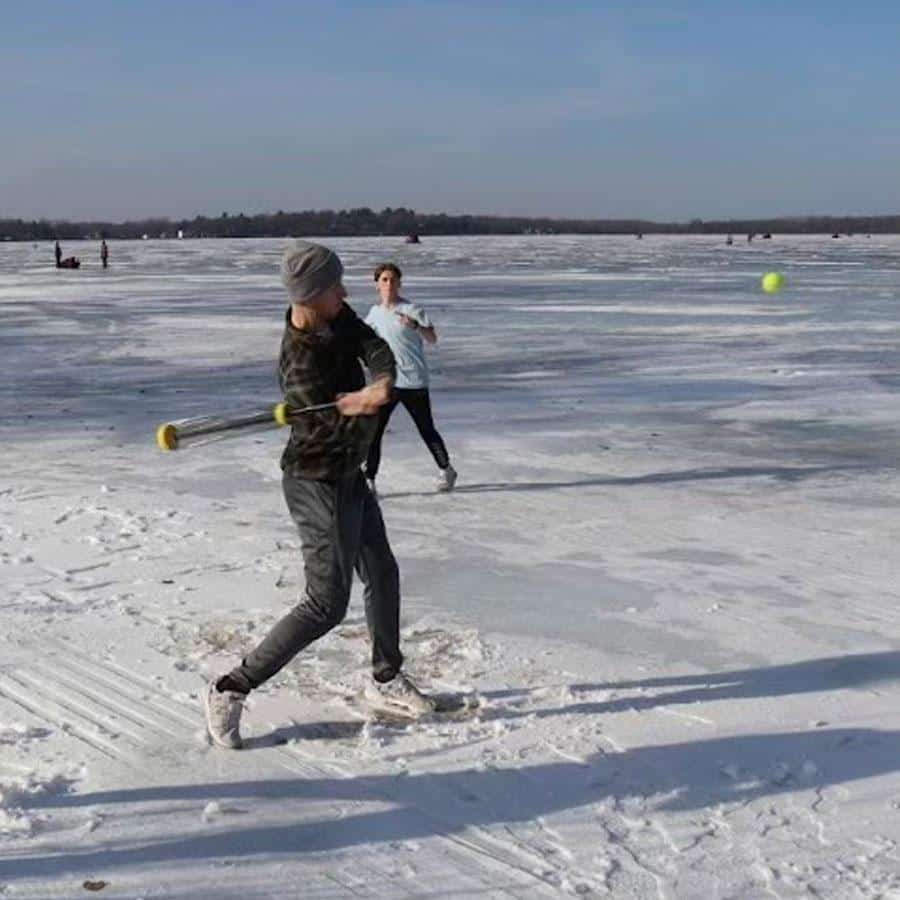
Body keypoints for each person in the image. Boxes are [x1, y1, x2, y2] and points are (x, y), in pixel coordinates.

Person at [204, 241, 435, 750]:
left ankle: (385, 676)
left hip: (350, 475)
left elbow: (372, 343)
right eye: (335, 287)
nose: (345, 292)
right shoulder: (298, 365)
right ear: (309, 297)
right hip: (317, 481)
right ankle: (230, 687)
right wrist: (359, 406)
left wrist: (381, 379)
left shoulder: (335, 316)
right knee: (325, 604)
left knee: (382, 570)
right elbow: (333, 428)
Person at [363, 262, 456, 494]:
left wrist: (415, 326)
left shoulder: (412, 309)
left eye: (393, 280)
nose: (389, 284)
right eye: (384, 280)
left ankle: (446, 469)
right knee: (375, 432)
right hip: (387, 382)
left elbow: (432, 337)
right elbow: (363, 340)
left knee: (426, 428)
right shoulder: (374, 314)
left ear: (400, 284)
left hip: (413, 381)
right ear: (377, 285)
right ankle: (369, 479)